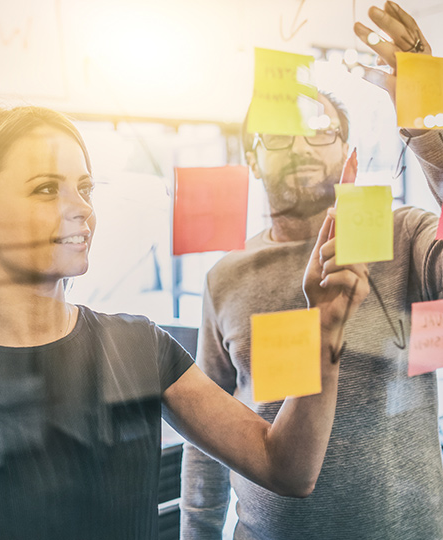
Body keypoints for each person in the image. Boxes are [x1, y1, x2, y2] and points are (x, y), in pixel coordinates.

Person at [0, 104, 367, 540]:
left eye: (84, 188)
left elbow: (285, 468)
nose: (81, 208)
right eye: (46, 188)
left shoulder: (139, 346)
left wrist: (324, 330)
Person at [180, 3, 443, 540]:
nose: (298, 145)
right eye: (276, 134)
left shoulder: (401, 236)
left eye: (319, 129)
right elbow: (205, 436)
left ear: (347, 152)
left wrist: (424, 117)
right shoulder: (225, 278)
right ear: (252, 158)